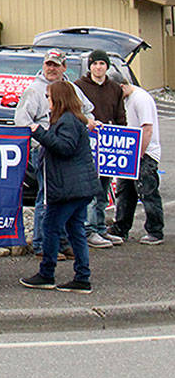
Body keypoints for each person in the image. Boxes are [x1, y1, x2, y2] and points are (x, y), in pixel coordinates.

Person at [20, 81, 98, 293]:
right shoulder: (72, 120)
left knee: (51, 228)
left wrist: (39, 133)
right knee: (76, 231)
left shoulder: (68, 121)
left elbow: (65, 147)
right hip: (77, 187)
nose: (47, 101)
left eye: (49, 97)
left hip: (68, 189)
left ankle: (47, 273)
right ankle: (82, 277)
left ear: (59, 99)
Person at [14, 49, 92, 255]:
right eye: (48, 64)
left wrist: (89, 123)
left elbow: (87, 111)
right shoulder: (33, 90)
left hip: (67, 152)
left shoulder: (71, 89)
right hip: (44, 151)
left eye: (56, 65)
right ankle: (41, 244)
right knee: (45, 196)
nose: (51, 68)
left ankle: (63, 242)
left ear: (64, 67)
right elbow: (22, 121)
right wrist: (39, 138)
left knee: (64, 197)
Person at [74, 49, 126, 247]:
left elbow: (121, 115)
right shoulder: (79, 86)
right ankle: (89, 230)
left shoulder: (115, 88)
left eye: (102, 64)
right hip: (88, 143)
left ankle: (101, 228)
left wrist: (122, 136)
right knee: (90, 190)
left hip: (110, 145)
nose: (98, 67)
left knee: (104, 189)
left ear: (107, 66)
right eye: (95, 63)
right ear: (90, 66)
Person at [111, 82, 163, 245]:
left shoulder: (141, 99)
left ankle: (155, 230)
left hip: (145, 153)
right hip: (129, 152)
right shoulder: (125, 99)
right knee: (125, 191)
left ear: (122, 86)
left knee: (147, 191)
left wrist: (139, 154)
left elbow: (147, 128)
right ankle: (121, 228)